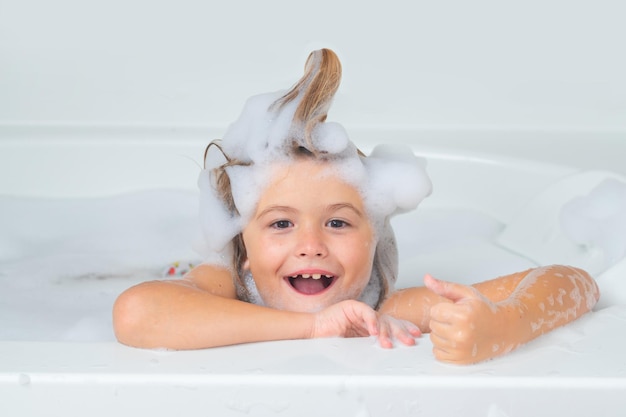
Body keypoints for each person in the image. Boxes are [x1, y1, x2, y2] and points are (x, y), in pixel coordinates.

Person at [113, 49, 599, 364]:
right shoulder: (231, 286)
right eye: (281, 223)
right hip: (173, 271)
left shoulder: (383, 305)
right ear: (243, 250)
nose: (311, 246)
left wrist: (503, 324)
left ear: (376, 238)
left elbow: (576, 283)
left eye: (338, 222)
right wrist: (311, 327)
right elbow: (136, 312)